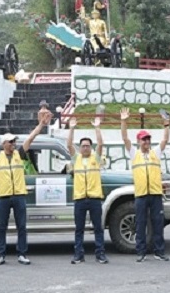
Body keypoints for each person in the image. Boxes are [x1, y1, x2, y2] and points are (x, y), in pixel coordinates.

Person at [0, 111, 50, 266]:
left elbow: (31, 138)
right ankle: (1, 255)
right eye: (10, 142)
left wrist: (41, 125)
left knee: (21, 227)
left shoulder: (19, 154)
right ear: (4, 144)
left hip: (19, 196)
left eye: (14, 141)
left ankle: (22, 254)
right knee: (1, 228)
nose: (13, 144)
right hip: (3, 197)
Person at [120, 106, 170, 262]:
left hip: (155, 194)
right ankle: (141, 252)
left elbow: (165, 140)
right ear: (139, 141)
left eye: (148, 139)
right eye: (144, 139)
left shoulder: (155, 152)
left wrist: (166, 125)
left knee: (157, 223)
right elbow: (125, 139)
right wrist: (124, 121)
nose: (147, 141)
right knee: (140, 224)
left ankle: (159, 251)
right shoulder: (134, 153)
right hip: (141, 194)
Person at [66, 113, 108, 264]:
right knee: (79, 230)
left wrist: (97, 128)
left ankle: (100, 254)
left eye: (88, 146)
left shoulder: (95, 159)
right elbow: (69, 145)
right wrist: (71, 128)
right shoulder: (76, 158)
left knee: (98, 228)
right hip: (80, 199)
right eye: (83, 146)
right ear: (80, 147)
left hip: (95, 198)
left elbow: (101, 144)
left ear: (91, 147)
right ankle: (78, 254)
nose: (85, 148)